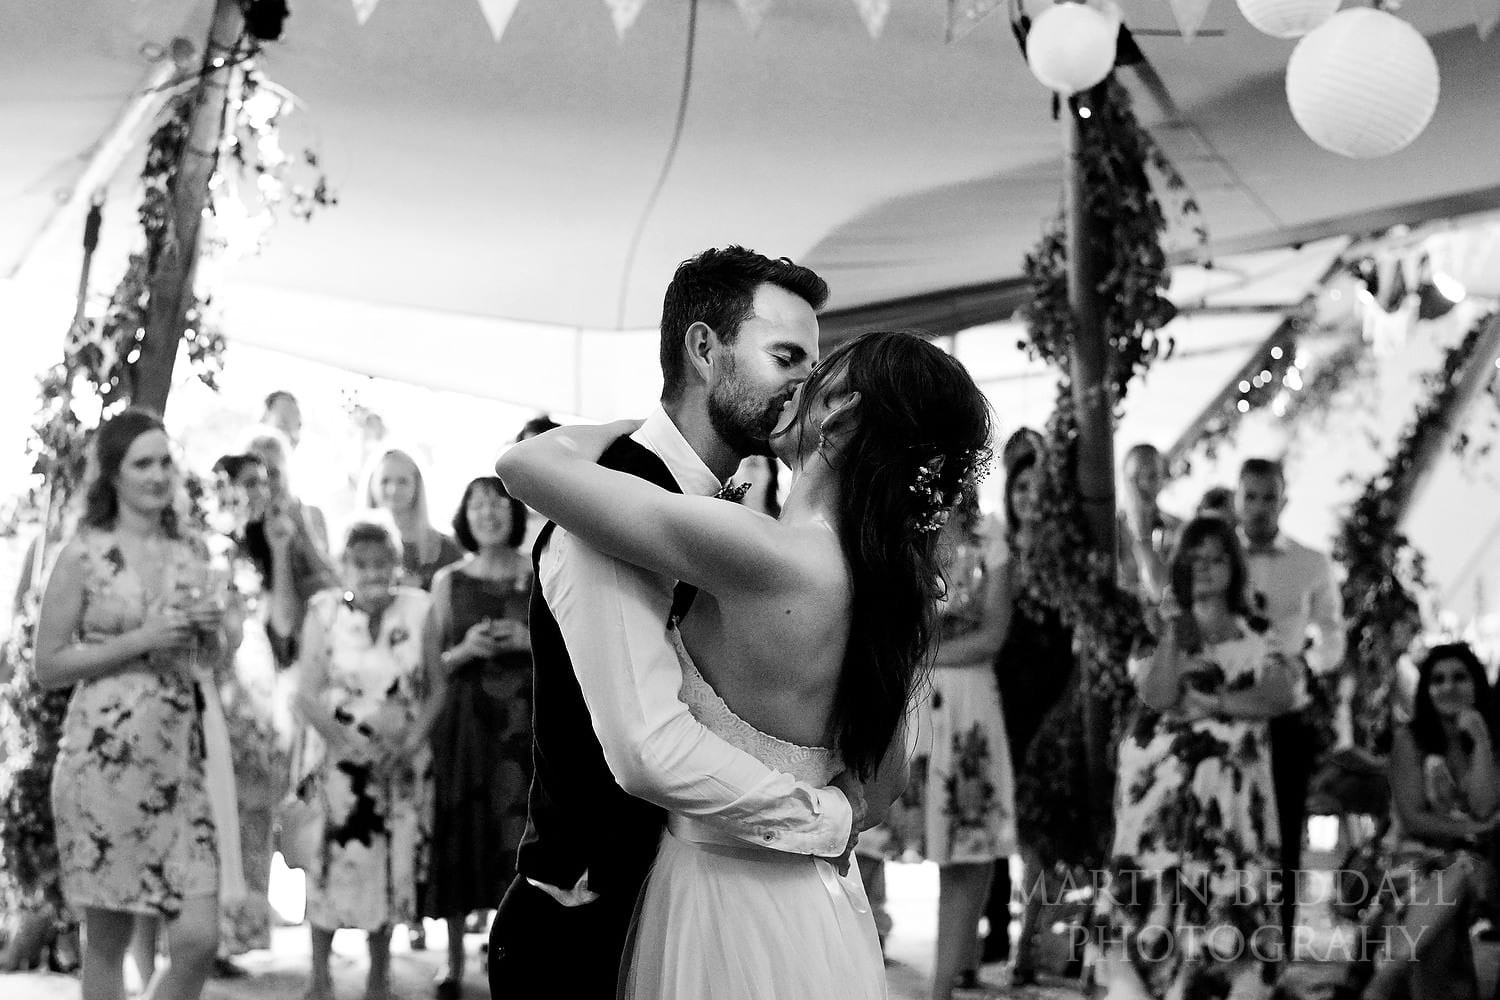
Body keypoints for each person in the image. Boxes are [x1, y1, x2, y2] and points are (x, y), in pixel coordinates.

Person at [499, 328, 993, 998]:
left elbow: (526, 467)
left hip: (712, 900)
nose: (798, 380)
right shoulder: (894, 589)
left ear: (839, 416)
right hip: (817, 909)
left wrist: (641, 427)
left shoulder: (761, 554)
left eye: (818, 371)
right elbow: (883, 783)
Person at [486, 246, 855, 999]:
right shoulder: (607, 504)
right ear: (703, 348)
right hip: (584, 927)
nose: (803, 386)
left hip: (672, 905)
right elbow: (647, 750)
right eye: (785, 355)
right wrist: (820, 819)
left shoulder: (711, 507)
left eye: (810, 367)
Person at [35, 407, 243, 1000]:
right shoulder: (82, 554)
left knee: (200, 939)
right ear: (113, 475)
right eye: (142, 463)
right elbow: (47, 665)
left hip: (179, 766)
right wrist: (139, 640)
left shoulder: (190, 550)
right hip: (102, 768)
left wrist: (217, 631)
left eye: (165, 461)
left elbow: (210, 663)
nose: (158, 475)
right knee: (106, 941)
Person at [1099, 516, 1296, 1000]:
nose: (1205, 568)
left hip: (1232, 790)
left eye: (1215, 558)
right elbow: (1159, 696)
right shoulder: (1159, 627)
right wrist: (1172, 631)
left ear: (1234, 565)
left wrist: (1215, 704)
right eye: (1195, 559)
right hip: (1163, 781)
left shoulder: (1257, 632)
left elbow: (1278, 697)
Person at [290, 518, 443, 1000]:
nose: (373, 573)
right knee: (329, 865)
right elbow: (307, 694)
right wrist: (345, 743)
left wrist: (411, 742)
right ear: (344, 566)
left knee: (392, 865)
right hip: (338, 762)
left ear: (396, 565)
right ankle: (320, 978)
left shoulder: (419, 609)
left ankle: (380, 977)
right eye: (362, 564)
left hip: (400, 763)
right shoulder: (324, 610)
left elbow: (437, 689)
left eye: (383, 563)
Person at [878, 494, 1016, 999]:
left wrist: (923, 652)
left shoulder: (989, 534)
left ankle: (943, 989)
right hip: (908, 691)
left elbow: (992, 635)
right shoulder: (900, 522)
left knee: (968, 845)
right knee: (871, 833)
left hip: (968, 698)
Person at [422, 477, 534, 999]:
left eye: (497, 503)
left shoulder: (539, 571)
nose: (488, 513)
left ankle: (513, 953)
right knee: (462, 830)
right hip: (466, 729)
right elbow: (431, 668)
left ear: (514, 512)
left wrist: (528, 642)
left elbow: (570, 655)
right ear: (465, 515)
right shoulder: (447, 580)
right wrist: (466, 648)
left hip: (525, 728)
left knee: (517, 840)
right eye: (477, 504)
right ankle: (451, 961)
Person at [1236, 457, 1347, 957]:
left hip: (1284, 712)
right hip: (1227, 709)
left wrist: (1305, 663)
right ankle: (1224, 940)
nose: (1258, 507)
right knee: (1228, 825)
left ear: (1284, 500)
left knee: (1281, 828)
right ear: (1237, 498)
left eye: (1268, 496)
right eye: (1250, 496)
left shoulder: (1310, 562)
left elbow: (1333, 637)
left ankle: (1276, 948)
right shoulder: (1216, 558)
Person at [984, 446, 1078, 982]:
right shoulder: (998, 555)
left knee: (1043, 835)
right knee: (999, 822)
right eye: (1021, 489)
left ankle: (1034, 943)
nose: (1029, 499)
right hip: (1002, 699)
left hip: (1052, 705)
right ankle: (996, 926)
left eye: (1039, 490)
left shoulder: (1065, 557)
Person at [1363, 643, 1498, 1000]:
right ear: (1426, 690)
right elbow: (1414, 819)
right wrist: (1473, 831)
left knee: (1465, 868)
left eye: (1459, 678)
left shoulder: (1490, 739)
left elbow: (1485, 807)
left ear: (1477, 684)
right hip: (1411, 857)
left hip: (1480, 870)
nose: (1448, 687)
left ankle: (1386, 978)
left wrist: (1481, 739)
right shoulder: (1411, 739)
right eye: (1437, 680)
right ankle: (1389, 978)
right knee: (1442, 912)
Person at [206, 453, 298, 975]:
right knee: (217, 806)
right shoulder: (206, 547)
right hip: (218, 682)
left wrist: (282, 552)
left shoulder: (266, 550)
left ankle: (234, 936)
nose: (258, 491)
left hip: (263, 690)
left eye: (265, 482)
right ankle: (205, 934)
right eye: (247, 483)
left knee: (256, 810)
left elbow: (283, 621)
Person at [360, 448, 464, 592]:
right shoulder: (353, 547)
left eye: (402, 481)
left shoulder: (447, 548)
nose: (393, 489)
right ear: (372, 485)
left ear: (417, 486)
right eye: (385, 481)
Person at [1116, 443, 1181, 603]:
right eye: (1136, 477)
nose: (1144, 484)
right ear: (1125, 479)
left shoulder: (1177, 528)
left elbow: (1161, 590)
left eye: (1152, 476)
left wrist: (1142, 534)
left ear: (1162, 478)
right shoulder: (1111, 527)